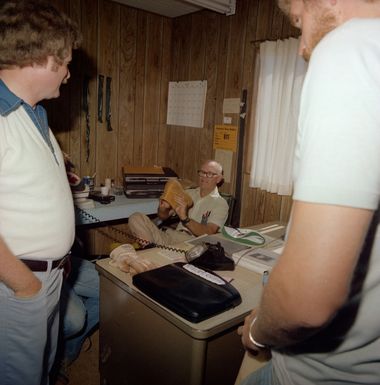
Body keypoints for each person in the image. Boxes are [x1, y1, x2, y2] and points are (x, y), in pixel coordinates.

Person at [237, 1, 380, 384]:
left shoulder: (351, 49)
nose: (301, 46)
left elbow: (306, 301)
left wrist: (256, 330)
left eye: (298, 21)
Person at [0, 1, 81, 385]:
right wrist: (25, 285)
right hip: (19, 283)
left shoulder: (32, 113)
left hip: (49, 278)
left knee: (41, 369)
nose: (67, 74)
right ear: (44, 57)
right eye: (65, 62)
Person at [128, 160, 229, 246]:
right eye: (202, 172)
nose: (204, 177)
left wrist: (185, 218)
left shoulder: (221, 204)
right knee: (135, 217)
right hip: (172, 237)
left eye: (210, 174)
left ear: (219, 179)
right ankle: (149, 251)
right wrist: (163, 208)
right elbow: (163, 217)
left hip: (192, 244)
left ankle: (150, 254)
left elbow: (209, 232)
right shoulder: (188, 193)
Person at [52, 255, 99, 385]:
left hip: (63, 262)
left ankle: (68, 347)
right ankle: (58, 357)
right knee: (75, 321)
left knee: (113, 286)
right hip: (35, 271)